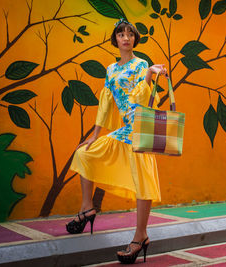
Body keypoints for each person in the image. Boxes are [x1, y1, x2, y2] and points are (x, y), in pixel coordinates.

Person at [66, 18, 167, 264]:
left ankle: (140, 235)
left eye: (130, 34)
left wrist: (149, 76)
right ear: (116, 40)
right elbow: (105, 103)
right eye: (121, 34)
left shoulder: (142, 65)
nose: (125, 37)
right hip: (123, 131)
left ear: (134, 40)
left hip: (139, 131)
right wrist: (95, 134)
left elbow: (141, 100)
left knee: (143, 182)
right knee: (84, 153)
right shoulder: (111, 70)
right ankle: (87, 208)